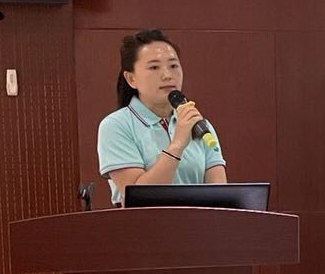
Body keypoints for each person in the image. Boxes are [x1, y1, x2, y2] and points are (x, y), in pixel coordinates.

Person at [97, 29, 227, 205]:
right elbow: (138, 198)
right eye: (154, 67)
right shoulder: (116, 126)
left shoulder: (198, 124)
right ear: (131, 78)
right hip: (145, 223)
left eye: (173, 66)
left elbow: (219, 196)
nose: (167, 75)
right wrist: (177, 145)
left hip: (197, 221)